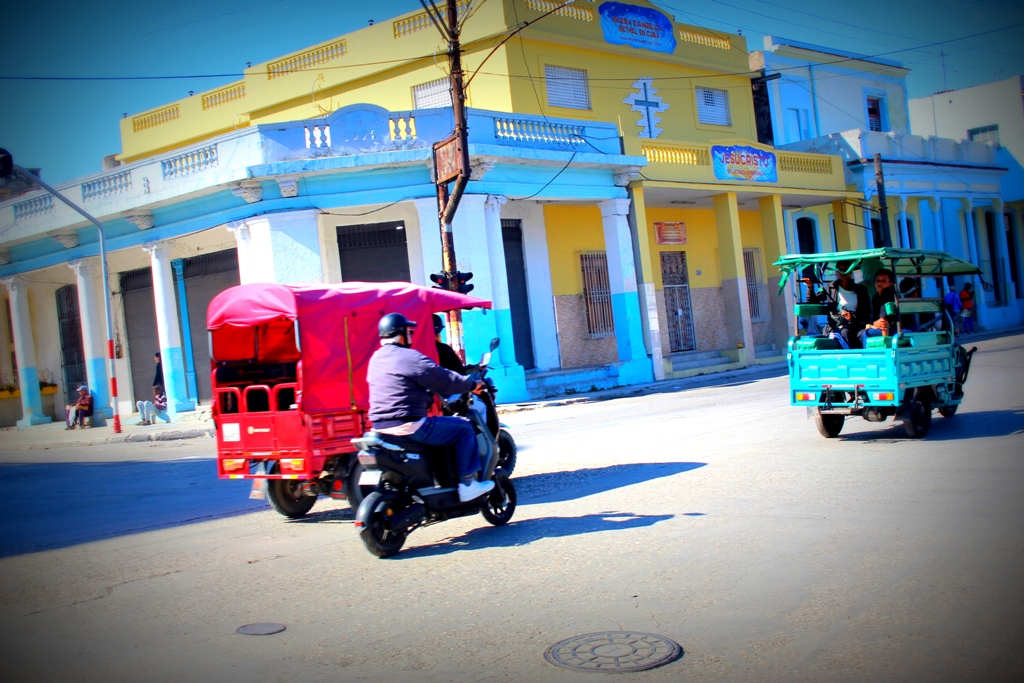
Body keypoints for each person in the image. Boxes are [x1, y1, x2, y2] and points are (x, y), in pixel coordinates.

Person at [367, 313, 494, 502]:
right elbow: (444, 378)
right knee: (464, 428)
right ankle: (468, 484)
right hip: (409, 425)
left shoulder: (376, 359)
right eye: (409, 332)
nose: (410, 336)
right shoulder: (408, 357)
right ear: (400, 334)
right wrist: (471, 385)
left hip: (380, 427)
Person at [802, 260, 870, 347]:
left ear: (851, 271)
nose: (843, 272)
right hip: (836, 326)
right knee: (845, 332)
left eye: (845, 269)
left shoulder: (861, 290)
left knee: (863, 334)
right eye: (839, 270)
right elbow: (812, 301)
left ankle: (864, 357)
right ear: (836, 272)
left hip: (856, 325)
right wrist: (810, 287)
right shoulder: (830, 288)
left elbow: (866, 311)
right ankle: (851, 357)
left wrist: (852, 317)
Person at [859, 268, 896, 343]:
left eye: (884, 280)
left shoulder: (888, 294)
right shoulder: (875, 297)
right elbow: (876, 319)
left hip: (899, 328)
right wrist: (872, 325)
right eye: (878, 280)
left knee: (865, 334)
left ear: (890, 283)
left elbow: (883, 322)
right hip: (889, 327)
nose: (880, 283)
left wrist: (872, 325)